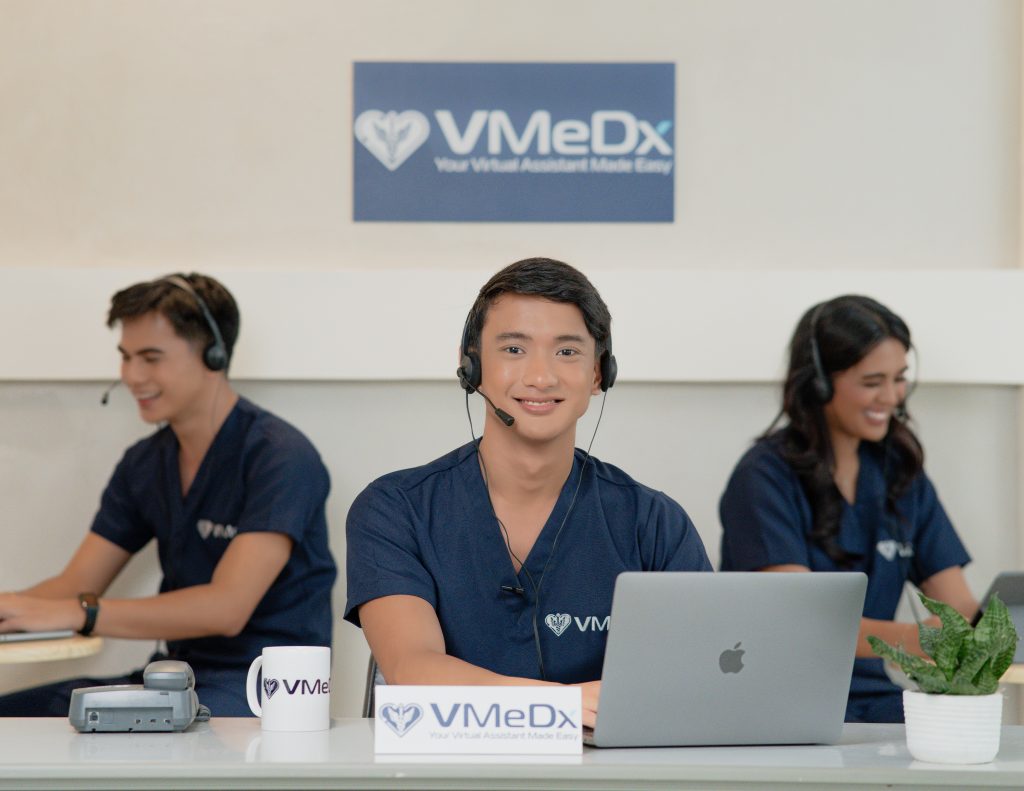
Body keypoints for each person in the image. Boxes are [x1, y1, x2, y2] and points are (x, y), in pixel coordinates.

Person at [345, 257, 711, 727]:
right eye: (514, 349)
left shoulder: (654, 522)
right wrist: (559, 707)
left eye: (567, 352)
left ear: (599, 374)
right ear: (471, 366)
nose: (541, 377)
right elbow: (413, 671)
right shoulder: (395, 509)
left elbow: (696, 682)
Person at [0, 273, 336, 716]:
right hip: (176, 678)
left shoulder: (280, 457)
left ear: (213, 356)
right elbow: (74, 587)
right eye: (125, 357)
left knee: (124, 737)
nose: (131, 376)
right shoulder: (144, 463)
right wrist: (14, 610)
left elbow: (226, 608)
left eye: (151, 358)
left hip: (264, 692)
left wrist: (84, 614)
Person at [719, 295, 976, 723]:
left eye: (900, 378)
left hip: (878, 702)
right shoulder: (763, 476)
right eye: (872, 381)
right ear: (819, 383)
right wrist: (922, 640)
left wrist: (981, 634)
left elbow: (961, 609)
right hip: (780, 705)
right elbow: (805, 624)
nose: (892, 397)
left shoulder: (901, 471)